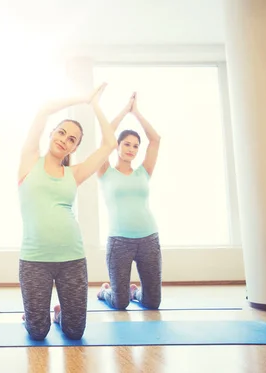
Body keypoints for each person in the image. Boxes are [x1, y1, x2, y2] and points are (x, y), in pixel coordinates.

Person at [18, 82, 117, 341]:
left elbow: (110, 144)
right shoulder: (30, 160)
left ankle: (59, 314)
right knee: (38, 332)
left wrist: (95, 105)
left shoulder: (74, 173)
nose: (64, 140)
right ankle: (32, 315)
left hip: (71, 259)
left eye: (72, 139)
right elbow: (44, 110)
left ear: (74, 148)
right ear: (52, 133)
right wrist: (84, 97)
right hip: (34, 261)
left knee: (75, 332)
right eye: (61, 133)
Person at [96, 92, 162, 310]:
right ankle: (106, 291)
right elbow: (105, 138)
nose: (131, 149)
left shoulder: (143, 172)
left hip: (148, 239)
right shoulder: (105, 172)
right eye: (126, 144)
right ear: (117, 145)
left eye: (135, 146)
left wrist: (137, 114)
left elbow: (156, 140)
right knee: (119, 303)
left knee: (153, 302)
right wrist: (125, 111)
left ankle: (135, 291)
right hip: (119, 242)